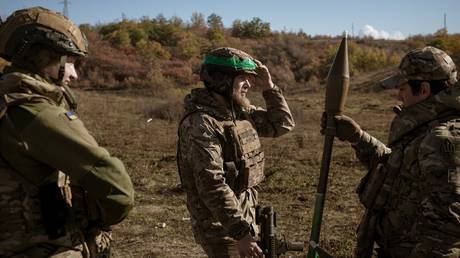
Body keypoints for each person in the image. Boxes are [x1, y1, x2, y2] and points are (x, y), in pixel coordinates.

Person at [0, 7, 134, 258]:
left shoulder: (6, 101)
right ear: (43, 57)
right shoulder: (36, 112)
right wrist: (95, 219)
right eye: (69, 62)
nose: (74, 74)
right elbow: (116, 186)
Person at [323, 46, 460, 257]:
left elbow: (446, 226)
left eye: (402, 89)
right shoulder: (426, 127)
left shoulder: (442, 140)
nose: (398, 95)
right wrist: (358, 137)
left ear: (423, 89)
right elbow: (397, 168)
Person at [177, 47, 295, 258]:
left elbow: (282, 124)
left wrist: (269, 87)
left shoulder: (240, 112)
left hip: (245, 216)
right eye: (242, 78)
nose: (249, 85)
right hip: (220, 226)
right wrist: (241, 234)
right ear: (221, 80)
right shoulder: (201, 123)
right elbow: (211, 183)